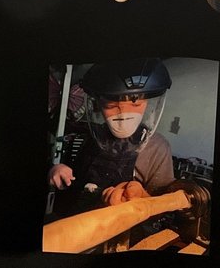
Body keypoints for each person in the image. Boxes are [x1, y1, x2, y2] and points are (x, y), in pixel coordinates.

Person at [49, 59, 174, 210]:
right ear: (98, 104)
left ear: (147, 102)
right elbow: (71, 183)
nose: (123, 115)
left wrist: (142, 198)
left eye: (135, 104)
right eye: (111, 106)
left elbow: (163, 205)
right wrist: (55, 170)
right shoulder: (88, 138)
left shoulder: (157, 148)